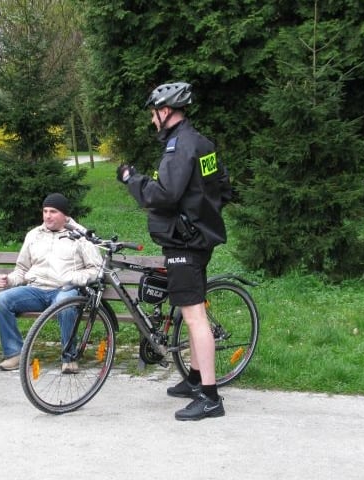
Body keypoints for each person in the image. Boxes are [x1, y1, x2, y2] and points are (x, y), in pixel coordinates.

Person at [116, 82, 232, 421]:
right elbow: (222, 186)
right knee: (189, 309)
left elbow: (163, 194)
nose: (152, 120)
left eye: (154, 114)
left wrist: (131, 179)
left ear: (165, 111)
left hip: (186, 243)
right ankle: (195, 379)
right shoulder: (202, 143)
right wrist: (203, 216)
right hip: (200, 237)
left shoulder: (179, 147)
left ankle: (210, 397)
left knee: (195, 316)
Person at [0, 193, 103, 373]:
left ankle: (69, 358)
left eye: (53, 211)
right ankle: (15, 354)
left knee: (64, 304)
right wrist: (8, 279)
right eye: (45, 211)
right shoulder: (34, 235)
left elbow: (96, 269)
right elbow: (22, 269)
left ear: (65, 216)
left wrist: (74, 278)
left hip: (65, 289)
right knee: (1, 300)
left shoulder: (81, 236)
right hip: (36, 289)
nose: (48, 216)